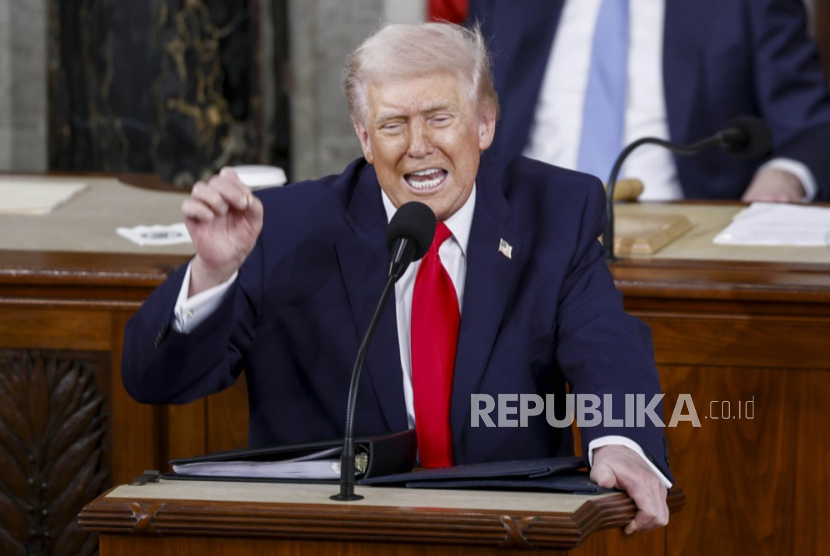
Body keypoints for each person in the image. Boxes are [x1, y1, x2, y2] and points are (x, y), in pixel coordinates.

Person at [122, 23, 671, 533]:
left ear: (484, 122)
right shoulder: (285, 229)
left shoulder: (556, 209)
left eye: (439, 117)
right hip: (335, 536)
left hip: (505, 531)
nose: (418, 146)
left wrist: (621, 443)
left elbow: (607, 346)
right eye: (392, 124)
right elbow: (153, 381)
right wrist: (213, 272)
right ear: (364, 138)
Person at [465, 0, 830, 202]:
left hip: (686, 244)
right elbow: (462, 110)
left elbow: (811, 127)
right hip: (523, 235)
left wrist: (783, 177)